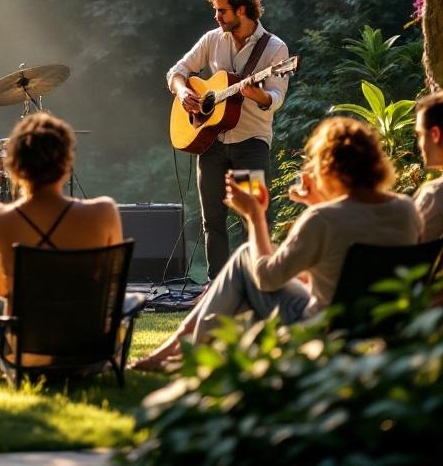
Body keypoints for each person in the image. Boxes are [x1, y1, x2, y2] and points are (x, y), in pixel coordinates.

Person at [131, 116, 423, 372]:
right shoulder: (406, 210)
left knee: (246, 260)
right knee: (244, 269)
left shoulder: (324, 219)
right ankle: (179, 348)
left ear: (329, 167)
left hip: (321, 326)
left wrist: (256, 216)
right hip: (378, 322)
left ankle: (186, 352)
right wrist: (317, 203)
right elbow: (348, 238)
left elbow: (268, 279)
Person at [0, 112, 124, 371]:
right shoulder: (105, 211)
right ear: (66, 164)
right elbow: (112, 285)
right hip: (94, 351)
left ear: (15, 166)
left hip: (27, 354)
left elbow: (3, 291)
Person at [168, 0, 290, 279]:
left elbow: (275, 98)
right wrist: (183, 91)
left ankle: (259, 279)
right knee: (212, 218)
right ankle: (217, 283)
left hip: (251, 142)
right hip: (211, 142)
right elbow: (177, 71)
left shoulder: (275, 49)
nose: (216, 16)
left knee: (255, 215)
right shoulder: (212, 39)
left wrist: (254, 93)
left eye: (222, 11)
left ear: (243, 11)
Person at [414, 91, 443, 241]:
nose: (419, 144)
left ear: (435, 134)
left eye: (420, 134)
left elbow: (409, 249)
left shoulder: (435, 195)